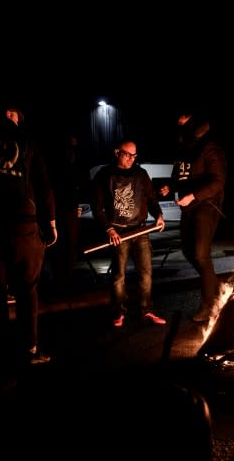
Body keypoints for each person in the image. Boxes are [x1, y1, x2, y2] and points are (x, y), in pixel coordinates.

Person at [0, 106, 57, 376]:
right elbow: (43, 184)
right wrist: (51, 221)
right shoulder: (27, 142)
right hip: (22, 227)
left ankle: (1, 351)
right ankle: (28, 348)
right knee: (26, 290)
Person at [160, 110, 227, 323]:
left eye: (186, 125)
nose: (182, 131)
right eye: (179, 126)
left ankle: (210, 304)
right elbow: (178, 176)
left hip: (206, 206)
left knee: (200, 254)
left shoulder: (210, 148)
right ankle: (216, 287)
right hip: (188, 207)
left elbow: (218, 181)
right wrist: (169, 187)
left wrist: (194, 195)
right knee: (188, 251)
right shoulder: (183, 150)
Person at [91, 140, 166, 327]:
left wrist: (159, 215)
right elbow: (97, 207)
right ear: (117, 152)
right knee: (118, 276)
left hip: (140, 230)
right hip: (119, 233)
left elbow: (151, 199)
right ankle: (119, 312)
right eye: (127, 154)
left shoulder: (141, 174)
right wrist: (109, 228)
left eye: (134, 155)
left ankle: (147, 310)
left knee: (146, 274)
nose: (131, 158)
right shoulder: (105, 175)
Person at [44, 132, 88, 296]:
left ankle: (63, 281)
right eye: (71, 146)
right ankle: (61, 282)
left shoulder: (70, 164)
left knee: (66, 248)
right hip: (63, 209)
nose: (73, 150)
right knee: (63, 248)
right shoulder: (63, 165)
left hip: (66, 209)